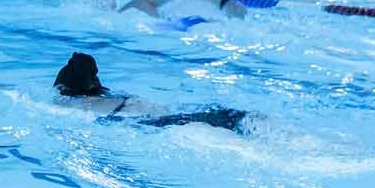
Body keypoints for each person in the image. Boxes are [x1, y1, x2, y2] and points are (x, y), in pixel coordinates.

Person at [51, 52, 248, 131]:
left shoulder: (74, 104)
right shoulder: (103, 94)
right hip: (140, 107)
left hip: (141, 117)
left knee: (191, 120)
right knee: (204, 117)